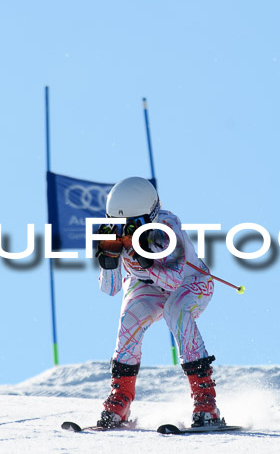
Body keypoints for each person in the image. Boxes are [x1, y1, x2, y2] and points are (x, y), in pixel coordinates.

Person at [94, 176, 223, 429]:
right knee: (129, 320)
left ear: (150, 215)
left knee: (176, 313)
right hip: (147, 286)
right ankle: (121, 399)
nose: (125, 230)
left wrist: (146, 259)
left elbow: (174, 280)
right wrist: (108, 260)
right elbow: (110, 289)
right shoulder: (115, 232)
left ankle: (205, 400)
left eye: (134, 224)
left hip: (190, 282)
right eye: (118, 224)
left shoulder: (168, 225)